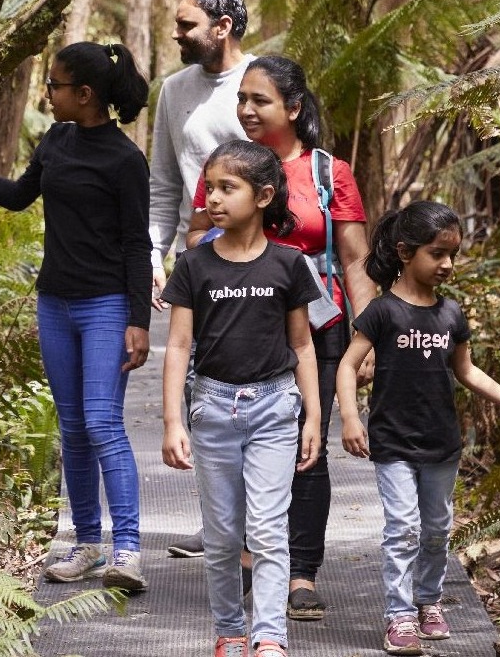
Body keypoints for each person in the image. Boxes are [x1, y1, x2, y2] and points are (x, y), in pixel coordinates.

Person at [0, 41, 153, 593]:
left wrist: (137, 319)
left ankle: (128, 550)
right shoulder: (57, 140)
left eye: (55, 85)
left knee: (101, 423)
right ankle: (88, 542)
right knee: (72, 427)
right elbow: (21, 196)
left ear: (85, 95)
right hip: (55, 302)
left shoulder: (124, 159)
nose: (49, 94)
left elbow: (136, 244)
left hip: (106, 306)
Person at [181, 55, 375, 620]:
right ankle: (248, 555)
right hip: (241, 319)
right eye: (241, 99)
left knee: (306, 449)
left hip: (320, 324)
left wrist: (368, 337)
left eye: (259, 100)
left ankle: (301, 573)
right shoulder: (227, 166)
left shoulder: (327, 173)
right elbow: (197, 236)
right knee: (245, 441)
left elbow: (355, 257)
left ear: (293, 108)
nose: (245, 110)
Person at [336, 201, 500, 656]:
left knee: (436, 528)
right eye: (437, 253)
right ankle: (398, 616)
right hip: (393, 441)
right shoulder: (381, 312)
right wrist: (352, 417)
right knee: (403, 527)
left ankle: (429, 601)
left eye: (453, 253)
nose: (448, 264)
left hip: (442, 442)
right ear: (404, 252)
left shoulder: (451, 314)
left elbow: (468, 372)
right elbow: (348, 365)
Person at [160, 139, 322, 657]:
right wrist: (172, 422)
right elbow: (179, 345)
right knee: (225, 536)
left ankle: (269, 636)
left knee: (269, 530)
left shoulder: (289, 265)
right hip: (212, 409)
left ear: (263, 195)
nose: (213, 198)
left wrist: (314, 414)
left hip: (276, 408)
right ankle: (230, 630)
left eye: (228, 188)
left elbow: (302, 344)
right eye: (209, 187)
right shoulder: (193, 265)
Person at [149, 0, 254, 310]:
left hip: (257, 256)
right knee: (194, 357)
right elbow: (165, 182)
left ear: (222, 27)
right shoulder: (173, 89)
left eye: (186, 25)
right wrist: (154, 254)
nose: (175, 33)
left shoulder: (264, 80)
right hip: (194, 255)